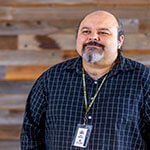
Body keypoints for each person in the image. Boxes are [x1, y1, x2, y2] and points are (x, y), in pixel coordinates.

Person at [20, 10, 150, 149]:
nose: (93, 37)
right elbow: (31, 133)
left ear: (120, 40)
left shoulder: (143, 80)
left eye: (103, 32)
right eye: (86, 31)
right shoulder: (50, 79)